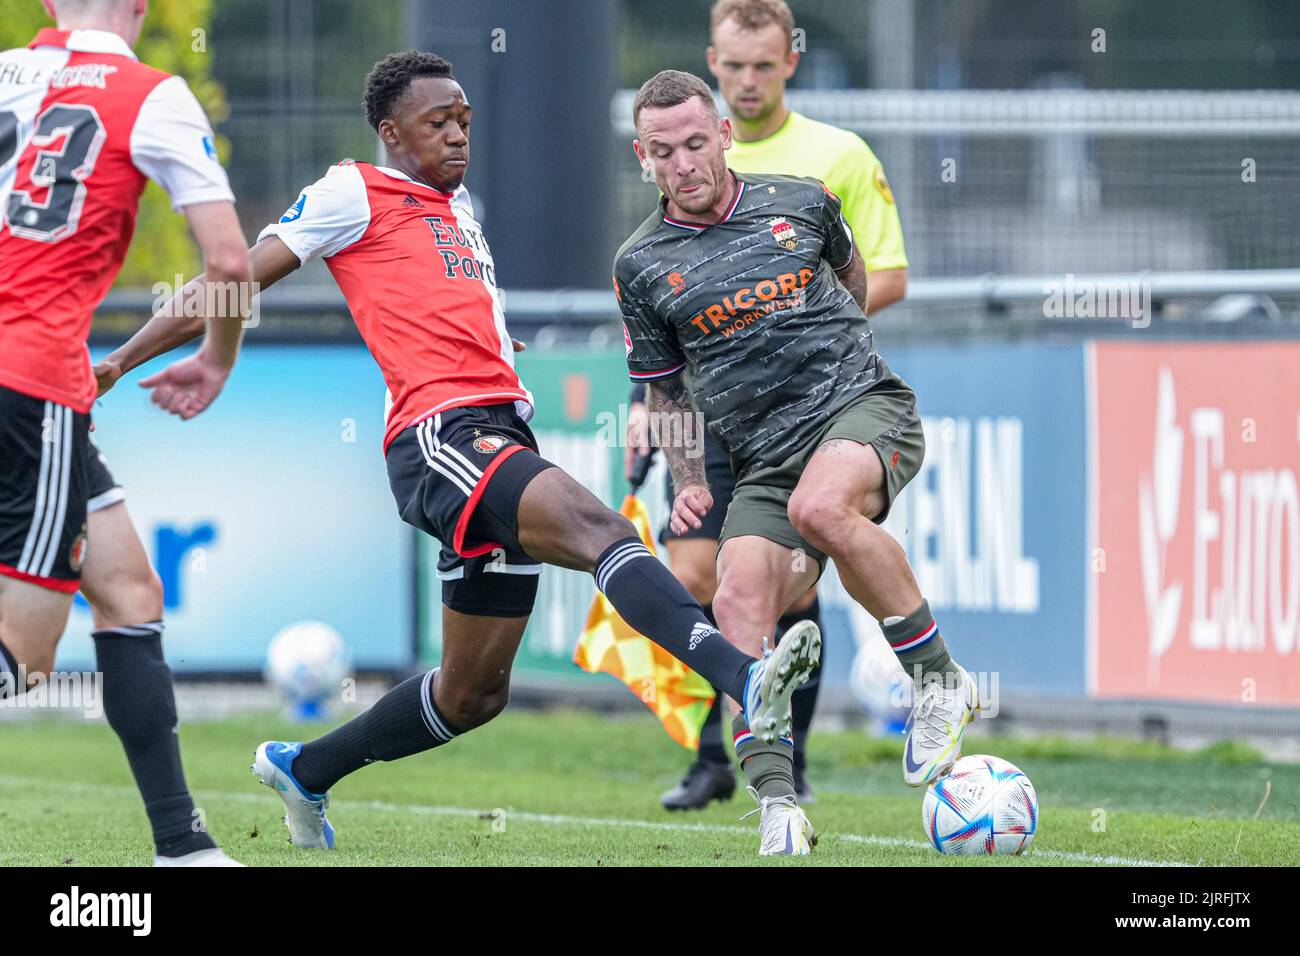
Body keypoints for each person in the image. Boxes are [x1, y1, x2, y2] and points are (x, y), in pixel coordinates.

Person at [105, 51, 821, 856]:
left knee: (472, 694)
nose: (457, 137)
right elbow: (233, 280)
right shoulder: (352, 191)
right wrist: (118, 360)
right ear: (389, 132)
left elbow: (444, 304)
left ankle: (305, 766)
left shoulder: (458, 207)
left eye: (465, 122)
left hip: (496, 431)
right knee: (600, 531)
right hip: (438, 438)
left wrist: (491, 340)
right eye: (437, 124)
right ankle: (744, 676)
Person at [615, 71, 981, 821]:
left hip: (861, 409)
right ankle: (780, 805)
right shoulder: (640, 264)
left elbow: (852, 279)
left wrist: (831, 358)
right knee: (736, 599)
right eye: (662, 151)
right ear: (641, 157)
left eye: (693, 142)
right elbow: (665, 386)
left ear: (721, 135)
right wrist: (688, 476)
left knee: (821, 509)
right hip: (758, 458)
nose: (682, 163)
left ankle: (940, 681)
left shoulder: (801, 200)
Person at [0, 0, 249, 866]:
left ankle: (181, 847)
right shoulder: (150, 94)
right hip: (26, 384)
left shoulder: (3, 75)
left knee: (131, 593)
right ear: (141, 7)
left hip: (35, 380)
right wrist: (216, 361)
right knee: (24, 658)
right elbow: (227, 260)